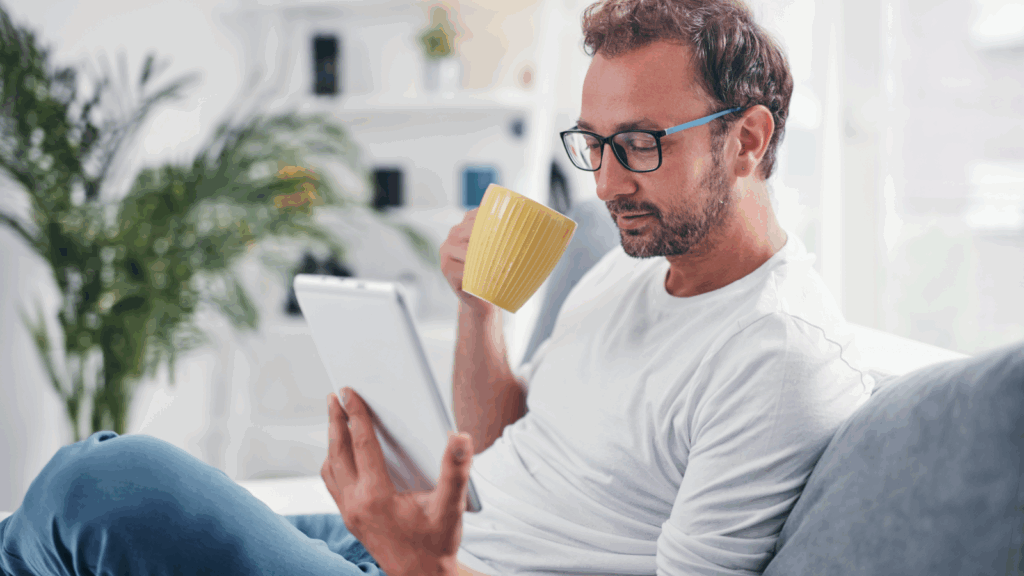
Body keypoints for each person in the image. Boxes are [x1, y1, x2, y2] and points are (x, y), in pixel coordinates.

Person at [0, 0, 872, 575]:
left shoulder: (776, 358)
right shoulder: (631, 268)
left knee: (100, 487)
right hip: (411, 550)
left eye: (640, 143)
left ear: (750, 139)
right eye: (592, 144)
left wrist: (428, 565)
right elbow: (500, 443)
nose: (606, 184)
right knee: (59, 519)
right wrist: (477, 306)